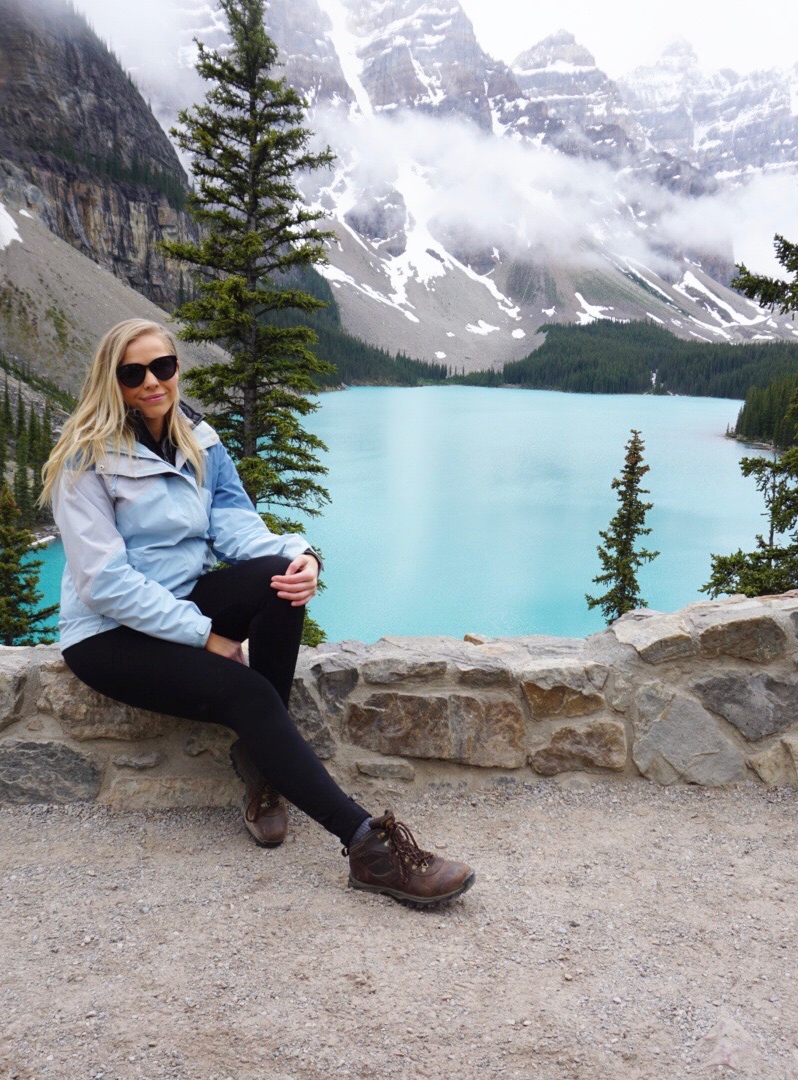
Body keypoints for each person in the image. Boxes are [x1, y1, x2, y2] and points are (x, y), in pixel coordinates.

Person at [38, 318, 474, 908]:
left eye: (162, 367)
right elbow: (104, 583)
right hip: (109, 634)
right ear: (110, 380)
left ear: (176, 368)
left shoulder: (199, 439)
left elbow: (235, 525)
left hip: (182, 606)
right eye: (132, 373)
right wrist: (205, 636)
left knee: (280, 583)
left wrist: (302, 554)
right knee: (251, 696)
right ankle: (368, 849)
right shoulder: (86, 457)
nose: (152, 383)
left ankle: (264, 764)